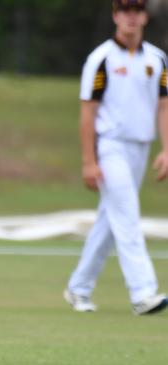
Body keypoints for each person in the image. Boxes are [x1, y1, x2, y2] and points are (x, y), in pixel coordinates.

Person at [64, 0, 168, 315]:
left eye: (136, 9)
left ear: (144, 16)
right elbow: (88, 113)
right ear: (115, 15)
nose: (130, 16)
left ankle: (78, 287)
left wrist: (166, 148)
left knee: (111, 220)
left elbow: (164, 106)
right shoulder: (101, 59)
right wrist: (88, 161)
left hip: (140, 147)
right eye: (124, 9)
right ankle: (143, 293)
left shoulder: (157, 59)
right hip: (110, 146)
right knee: (127, 216)